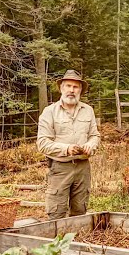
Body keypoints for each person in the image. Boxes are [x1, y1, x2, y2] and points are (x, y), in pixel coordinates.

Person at [37, 69, 101, 220]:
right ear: (61, 88)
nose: (71, 90)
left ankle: (76, 241)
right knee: (56, 212)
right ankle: (57, 242)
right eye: (68, 86)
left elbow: (94, 135)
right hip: (60, 168)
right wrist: (66, 149)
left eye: (75, 87)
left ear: (80, 90)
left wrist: (91, 145)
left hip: (83, 167)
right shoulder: (49, 112)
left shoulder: (88, 110)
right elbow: (42, 143)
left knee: (80, 211)